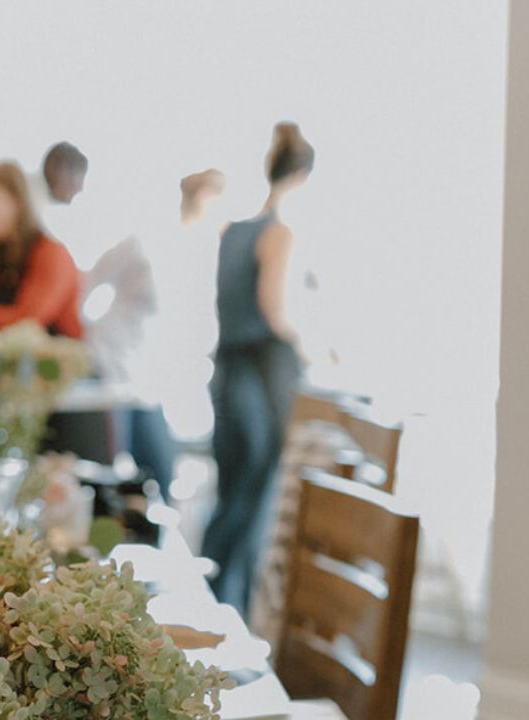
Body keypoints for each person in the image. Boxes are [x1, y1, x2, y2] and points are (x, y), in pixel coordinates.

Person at [201, 123, 313, 615]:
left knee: (229, 495)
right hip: (262, 376)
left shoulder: (231, 232)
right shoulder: (278, 234)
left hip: (227, 372)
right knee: (253, 497)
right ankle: (230, 616)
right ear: (303, 177)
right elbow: (275, 310)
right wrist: (311, 348)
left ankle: (206, 606)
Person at [0, 161, 83, 339]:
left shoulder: (52, 254)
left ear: (15, 201)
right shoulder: (5, 252)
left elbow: (27, 320)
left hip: (59, 352)